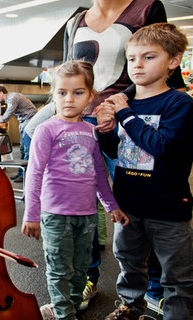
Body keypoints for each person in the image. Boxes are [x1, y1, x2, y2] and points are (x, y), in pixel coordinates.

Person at [25, 0, 188, 309]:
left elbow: (157, 52)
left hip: (120, 114)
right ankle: (85, 280)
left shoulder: (145, 8)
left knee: (139, 202)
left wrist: (124, 108)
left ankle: (154, 289)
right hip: (80, 117)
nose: (139, 61)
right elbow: (66, 70)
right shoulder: (78, 18)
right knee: (78, 198)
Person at [96, 22, 193, 320]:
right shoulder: (124, 101)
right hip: (129, 205)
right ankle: (129, 307)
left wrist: (125, 113)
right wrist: (107, 130)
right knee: (129, 264)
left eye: (149, 57)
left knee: (177, 275)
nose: (137, 65)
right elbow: (116, 151)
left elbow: (161, 146)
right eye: (132, 58)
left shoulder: (179, 103)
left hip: (168, 209)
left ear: (173, 61)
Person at [21, 60, 127, 320]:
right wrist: (31, 213)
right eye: (62, 93)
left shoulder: (91, 131)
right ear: (54, 94)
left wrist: (111, 205)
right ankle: (64, 314)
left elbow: (99, 174)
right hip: (55, 215)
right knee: (59, 269)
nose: (69, 99)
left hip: (87, 214)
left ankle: (67, 305)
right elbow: (34, 173)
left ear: (90, 96)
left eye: (78, 92)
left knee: (81, 270)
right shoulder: (46, 130)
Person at [0, 85, 37, 182]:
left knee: (27, 149)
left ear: (1, 93)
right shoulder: (9, 100)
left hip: (30, 121)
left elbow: (5, 117)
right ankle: (21, 173)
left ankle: (27, 176)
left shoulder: (13, 98)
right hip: (24, 122)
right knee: (22, 148)